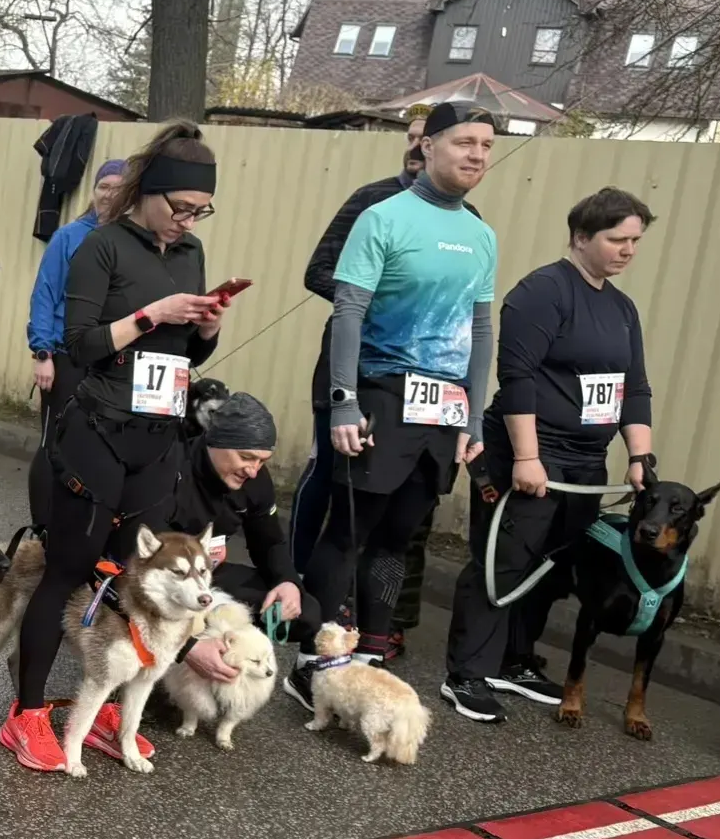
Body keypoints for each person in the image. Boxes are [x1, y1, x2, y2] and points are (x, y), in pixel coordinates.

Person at [3, 121, 230, 772]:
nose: (186, 221)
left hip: (158, 437)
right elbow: (80, 343)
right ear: (147, 192)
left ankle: (100, 707)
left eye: (199, 211)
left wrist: (205, 327)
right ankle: (26, 714)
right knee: (70, 569)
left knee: (127, 573)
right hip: (96, 431)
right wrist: (152, 314)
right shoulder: (100, 246)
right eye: (178, 207)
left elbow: (188, 351)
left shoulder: (190, 255)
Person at [290, 101, 499, 708]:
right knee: (348, 535)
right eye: (464, 142)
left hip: (444, 408)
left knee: (400, 540)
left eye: (486, 146)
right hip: (383, 393)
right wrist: (344, 403)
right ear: (427, 146)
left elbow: (480, 331)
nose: (477, 155)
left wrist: (473, 415)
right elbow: (348, 312)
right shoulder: (382, 217)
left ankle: (373, 651)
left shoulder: (481, 233)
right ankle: (312, 658)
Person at [442, 188, 656, 722]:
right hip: (530, 451)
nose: (627, 250)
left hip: (586, 457)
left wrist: (639, 457)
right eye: (616, 239)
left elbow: (634, 388)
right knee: (504, 560)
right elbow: (517, 378)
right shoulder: (543, 292)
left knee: (553, 566)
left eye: (635, 241)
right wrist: (526, 456)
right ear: (581, 237)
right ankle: (467, 672)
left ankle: (515, 661)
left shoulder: (622, 308)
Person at [291, 111, 438, 659]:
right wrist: (381, 299)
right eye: (412, 138)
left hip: (413, 383)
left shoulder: (463, 219)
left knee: (390, 503)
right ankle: (299, 585)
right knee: (330, 477)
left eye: (426, 138)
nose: (415, 147)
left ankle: (373, 619)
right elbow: (317, 270)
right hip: (349, 370)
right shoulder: (372, 200)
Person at [169, 393, 319, 675]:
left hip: (210, 575)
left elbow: (270, 542)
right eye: (246, 457)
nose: (253, 471)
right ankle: (167, 670)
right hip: (164, 584)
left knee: (305, 613)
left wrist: (287, 582)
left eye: (262, 461)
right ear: (216, 442)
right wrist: (187, 646)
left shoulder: (255, 479)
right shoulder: (172, 469)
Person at [27, 158, 125, 529]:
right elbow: (44, 295)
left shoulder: (129, 240)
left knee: (97, 449)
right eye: (103, 186)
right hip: (66, 358)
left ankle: (81, 525)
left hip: (109, 360)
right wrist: (42, 353)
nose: (109, 194)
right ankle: (42, 527)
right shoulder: (69, 237)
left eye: (118, 187)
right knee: (54, 442)